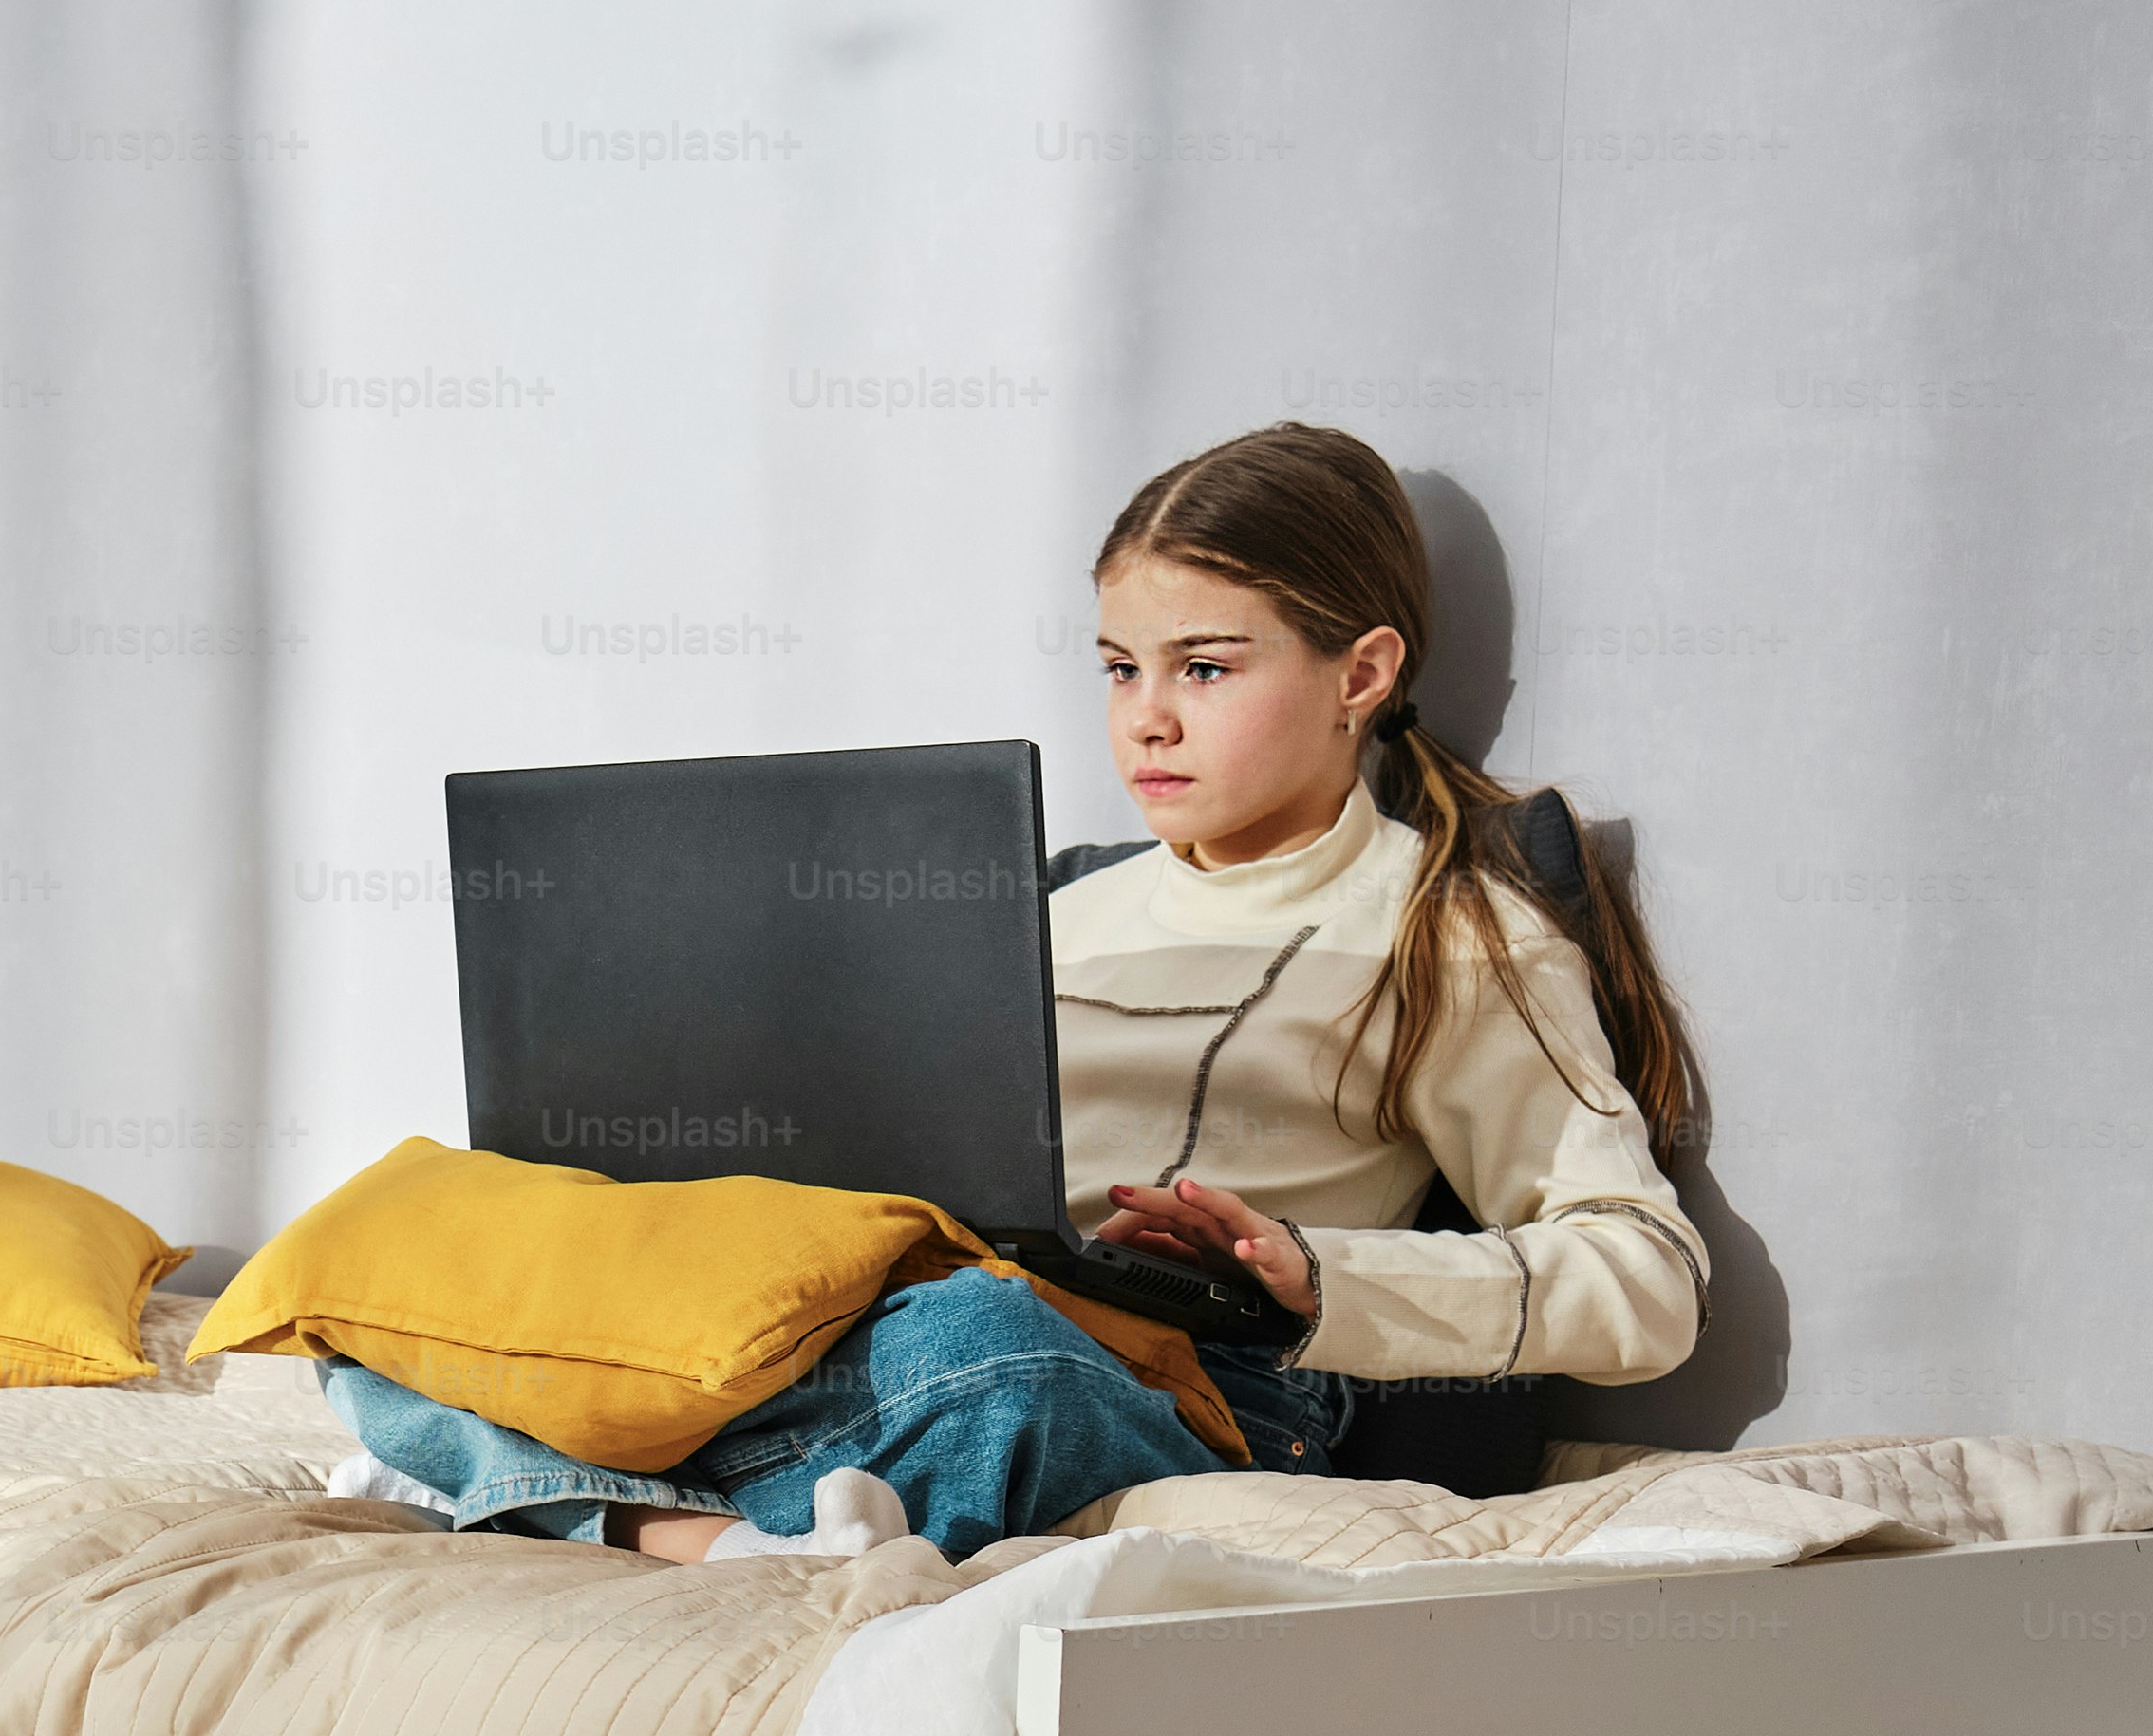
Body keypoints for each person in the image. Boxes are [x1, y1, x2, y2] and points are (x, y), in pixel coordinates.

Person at [343, 419, 1712, 1561]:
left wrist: (1318, 1275)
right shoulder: (1044, 905)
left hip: (1177, 1380)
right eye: (1121, 669)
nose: (1146, 717)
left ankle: (556, 1488)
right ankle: (699, 1526)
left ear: (1361, 674)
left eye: (1204, 668)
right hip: (874, 1303)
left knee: (996, 1361)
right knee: (408, 1250)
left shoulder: (1451, 934)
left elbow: (1643, 1276)